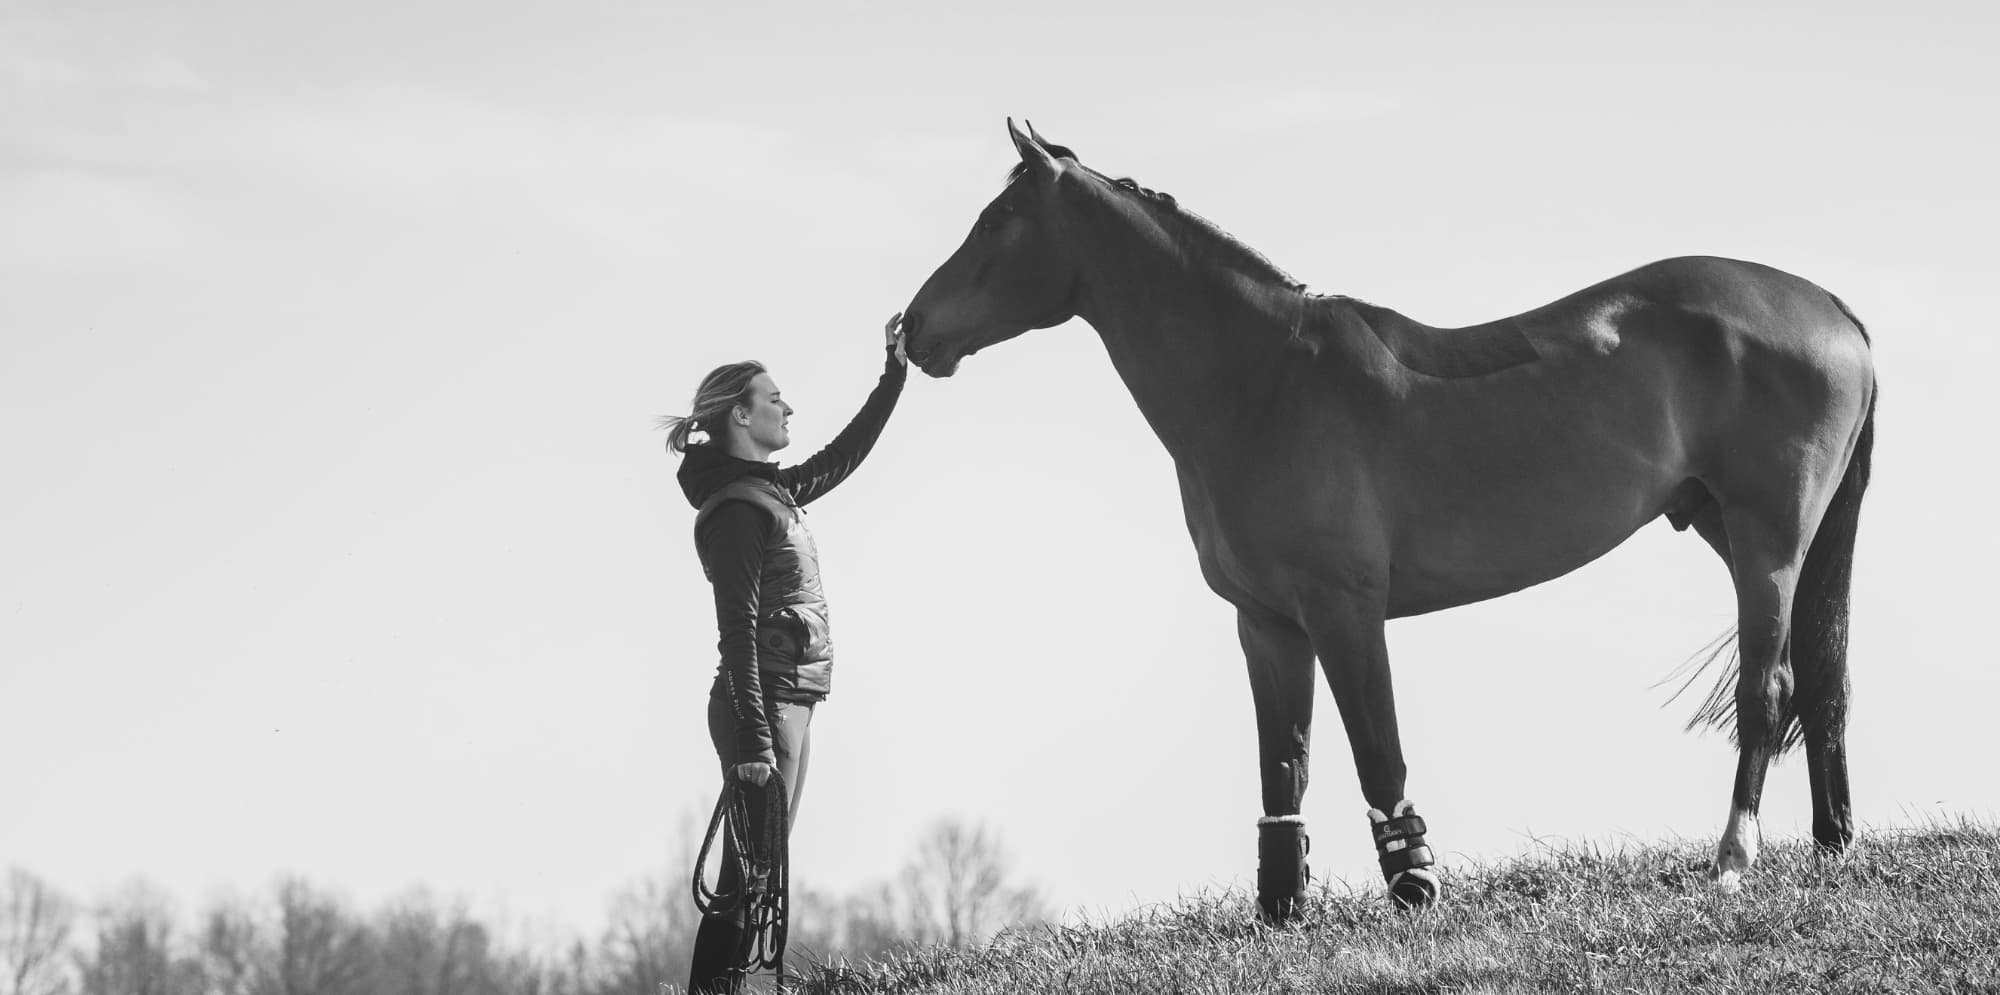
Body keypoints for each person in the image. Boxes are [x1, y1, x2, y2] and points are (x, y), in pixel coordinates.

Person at [663, 314, 908, 994]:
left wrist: (894, 374)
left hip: (788, 701)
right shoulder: (738, 511)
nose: (789, 406)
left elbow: (840, 457)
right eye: (774, 399)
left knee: (760, 875)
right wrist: (753, 739)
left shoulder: (770, 492)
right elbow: (735, 631)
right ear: (741, 416)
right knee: (750, 882)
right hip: (762, 706)